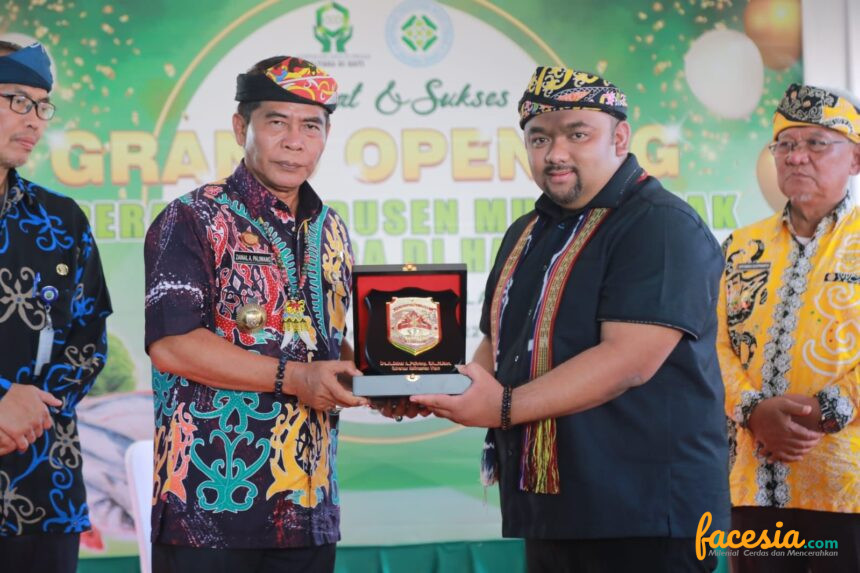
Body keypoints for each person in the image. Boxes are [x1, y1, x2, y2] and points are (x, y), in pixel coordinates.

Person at [412, 67, 730, 572]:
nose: (555, 153)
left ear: (620, 138)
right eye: (539, 138)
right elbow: (497, 346)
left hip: (644, 512)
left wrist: (503, 407)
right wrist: (429, 387)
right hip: (555, 509)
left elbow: (629, 361)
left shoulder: (660, 224)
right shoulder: (527, 231)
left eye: (577, 134)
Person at [144, 55, 366, 573]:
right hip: (207, 507)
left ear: (326, 137)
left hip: (309, 504)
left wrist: (383, 379)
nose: (294, 141)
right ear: (241, 127)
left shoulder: (332, 230)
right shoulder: (193, 217)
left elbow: (325, 343)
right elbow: (173, 344)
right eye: (277, 123)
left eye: (311, 126)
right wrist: (297, 378)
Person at [718, 83, 860, 572]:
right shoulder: (740, 247)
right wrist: (754, 411)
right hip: (753, 488)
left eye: (816, 143)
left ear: (856, 159)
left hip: (847, 489)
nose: (797, 157)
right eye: (785, 144)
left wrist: (827, 409)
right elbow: (711, 345)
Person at [0, 41, 112, 573]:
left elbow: (89, 336)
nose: (34, 120)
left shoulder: (60, 220)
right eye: (17, 100)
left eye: (42, 106)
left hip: (43, 486)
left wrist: (29, 412)